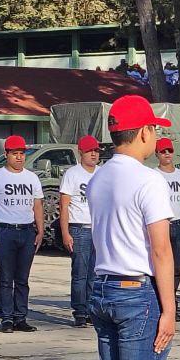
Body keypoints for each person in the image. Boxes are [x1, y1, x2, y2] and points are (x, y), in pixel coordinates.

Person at [87, 95, 180, 360]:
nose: (157, 136)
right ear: (142, 132)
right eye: (155, 130)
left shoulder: (98, 177)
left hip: (103, 286)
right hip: (135, 293)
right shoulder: (148, 181)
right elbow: (161, 251)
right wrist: (170, 310)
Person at [0, 135, 44, 333]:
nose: (19, 158)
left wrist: (40, 230)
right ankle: (7, 318)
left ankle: (21, 317)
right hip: (5, 230)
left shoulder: (32, 178)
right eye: (15, 154)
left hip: (26, 231)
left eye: (22, 154)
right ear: (6, 154)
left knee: (23, 279)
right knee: (6, 277)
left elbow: (37, 205)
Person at [60, 135, 100, 327]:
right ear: (81, 153)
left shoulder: (103, 173)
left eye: (96, 150)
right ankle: (80, 311)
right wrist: (65, 232)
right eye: (89, 151)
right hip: (80, 229)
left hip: (99, 229)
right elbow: (64, 205)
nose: (94, 154)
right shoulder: (72, 174)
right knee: (80, 273)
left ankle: (93, 310)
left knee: (96, 273)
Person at [156, 138, 180, 322]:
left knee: (176, 269)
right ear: (157, 154)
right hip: (161, 224)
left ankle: (172, 305)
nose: (167, 154)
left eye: (169, 150)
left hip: (178, 225)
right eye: (163, 151)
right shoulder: (153, 175)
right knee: (159, 268)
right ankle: (159, 305)